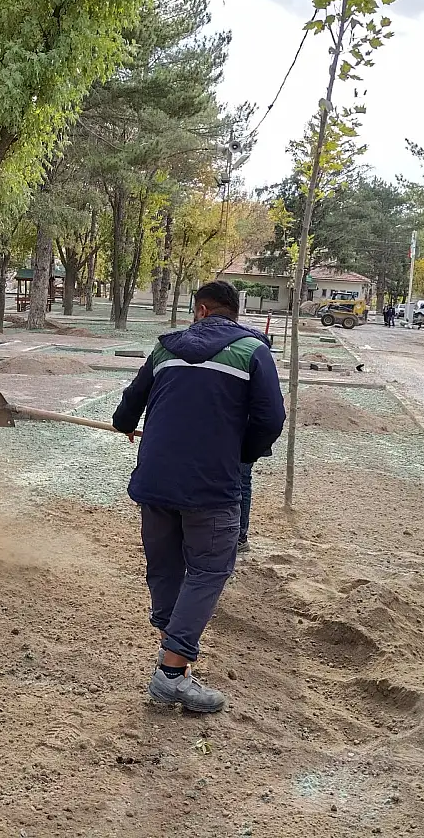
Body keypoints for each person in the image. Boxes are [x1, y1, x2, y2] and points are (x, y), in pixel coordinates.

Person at [112, 280, 286, 713]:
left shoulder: (165, 350)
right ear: (229, 312)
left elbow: (125, 413)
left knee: (167, 566)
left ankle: (174, 656)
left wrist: (134, 426)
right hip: (211, 488)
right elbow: (271, 420)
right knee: (209, 570)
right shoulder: (252, 351)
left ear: (203, 310)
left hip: (155, 482)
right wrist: (239, 455)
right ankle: (171, 673)